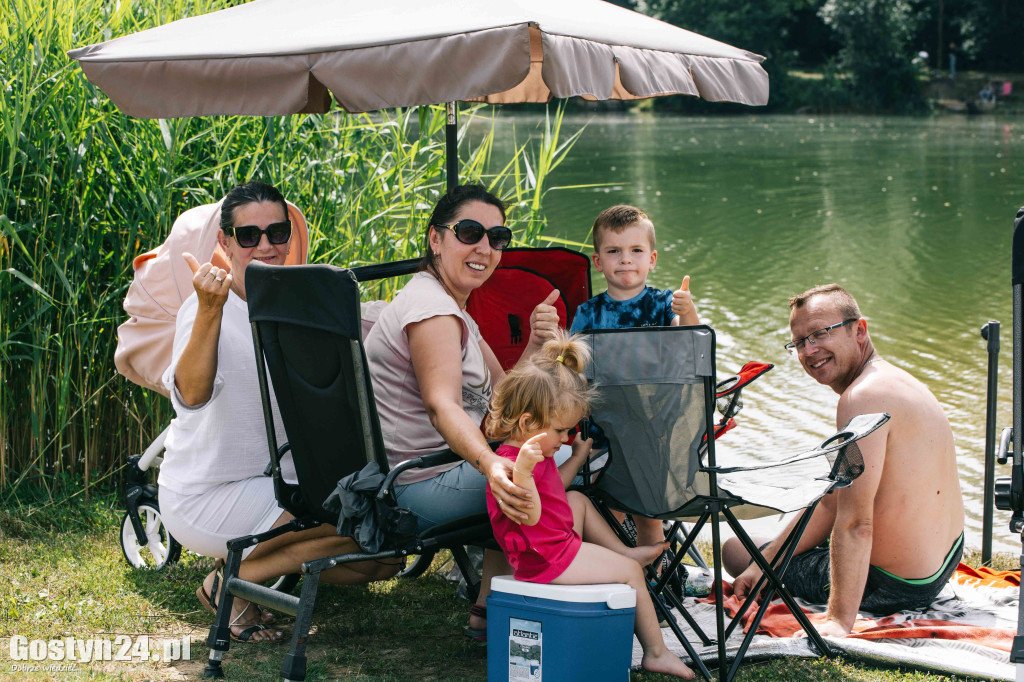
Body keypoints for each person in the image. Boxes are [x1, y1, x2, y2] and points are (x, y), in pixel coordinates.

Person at [159, 181, 400, 643]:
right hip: (208, 492)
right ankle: (231, 588)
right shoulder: (206, 305)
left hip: (279, 485)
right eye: (249, 236)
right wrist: (210, 310)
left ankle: (237, 576)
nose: (266, 246)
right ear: (225, 244)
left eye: (277, 232)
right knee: (358, 523)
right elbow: (190, 395)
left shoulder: (295, 304)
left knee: (383, 555)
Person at [363, 184, 562, 642]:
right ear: (436, 239)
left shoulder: (451, 305)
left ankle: (493, 608)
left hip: (427, 475)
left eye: (497, 237)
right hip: (413, 490)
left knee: (536, 456)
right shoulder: (433, 311)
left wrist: (535, 341)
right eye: (470, 232)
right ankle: (542, 606)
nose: (485, 248)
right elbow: (441, 406)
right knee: (545, 469)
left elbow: (502, 400)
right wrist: (492, 464)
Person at [723, 284, 965, 636]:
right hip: (942, 564)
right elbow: (834, 500)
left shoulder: (860, 398)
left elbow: (856, 523)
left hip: (892, 585)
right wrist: (772, 557)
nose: (809, 350)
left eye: (820, 333)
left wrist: (838, 623)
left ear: (860, 330)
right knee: (768, 551)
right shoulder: (896, 381)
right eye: (799, 341)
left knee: (735, 551)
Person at [485, 331, 694, 679]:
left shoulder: (534, 449)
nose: (566, 438)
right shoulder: (512, 467)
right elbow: (531, 514)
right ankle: (656, 652)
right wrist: (522, 472)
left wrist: (577, 456)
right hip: (545, 561)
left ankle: (622, 554)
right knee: (631, 576)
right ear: (527, 423)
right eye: (561, 430)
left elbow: (554, 489)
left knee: (577, 499)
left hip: (549, 545)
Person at [568, 205, 700, 561]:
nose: (625, 260)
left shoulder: (662, 305)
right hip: (601, 426)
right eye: (614, 251)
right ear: (598, 261)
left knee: (647, 507)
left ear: (652, 258)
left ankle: (655, 576)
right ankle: (608, 567)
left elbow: (691, 348)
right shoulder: (587, 313)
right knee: (600, 499)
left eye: (636, 251)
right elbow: (573, 368)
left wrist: (687, 312)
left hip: (651, 427)